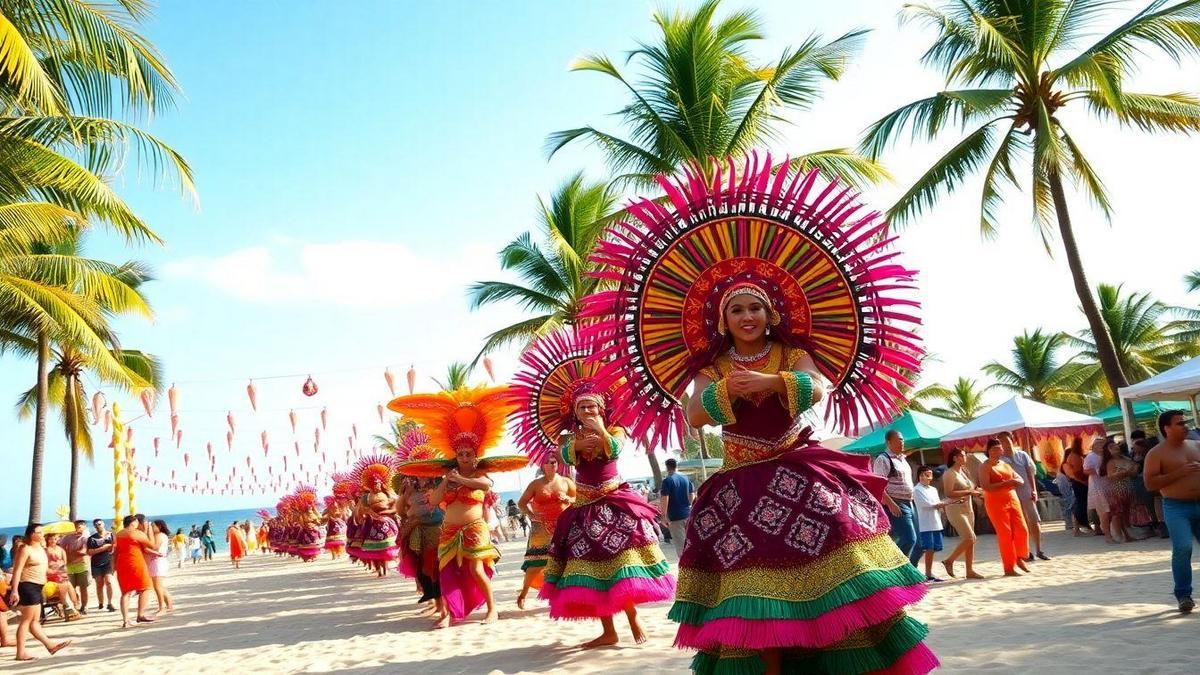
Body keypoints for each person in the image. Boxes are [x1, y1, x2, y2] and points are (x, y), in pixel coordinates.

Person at [389, 385, 528, 628]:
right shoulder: (448, 477)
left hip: (474, 528)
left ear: (475, 457)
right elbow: (433, 501)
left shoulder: (480, 475)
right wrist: (446, 481)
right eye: (460, 453)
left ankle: (492, 609)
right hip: (449, 530)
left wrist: (461, 480)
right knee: (445, 571)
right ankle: (447, 614)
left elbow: (484, 485)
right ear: (456, 455)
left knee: (476, 569)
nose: (464, 457)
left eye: (468, 454)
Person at [1143, 410, 1200, 614]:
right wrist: (1180, 473)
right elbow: (1149, 483)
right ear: (1166, 428)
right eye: (1180, 423)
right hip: (1176, 506)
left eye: (1186, 422)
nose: (1186, 426)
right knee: (1183, 547)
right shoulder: (1156, 453)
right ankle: (1183, 595)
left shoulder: (1196, 445)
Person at [4, 523, 71, 661]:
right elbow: (17, 570)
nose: (42, 535)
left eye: (42, 532)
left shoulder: (41, 549)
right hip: (27, 586)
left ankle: (50, 645)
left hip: (38, 586)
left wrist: (56, 570)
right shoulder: (25, 549)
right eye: (39, 532)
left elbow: (43, 569)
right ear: (31, 534)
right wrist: (15, 591)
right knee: (26, 621)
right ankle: (21, 653)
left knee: (34, 621)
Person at [516, 454, 575, 609]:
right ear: (543, 465)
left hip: (563, 527)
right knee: (535, 565)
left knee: (564, 563)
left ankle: (562, 596)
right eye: (548, 462)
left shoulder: (566, 482)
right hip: (540, 529)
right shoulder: (536, 484)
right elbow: (521, 503)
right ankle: (523, 593)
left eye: (554, 461)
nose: (552, 464)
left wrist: (569, 500)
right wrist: (531, 515)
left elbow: (579, 499)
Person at [979, 439, 1031, 576]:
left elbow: (1020, 479)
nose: (997, 451)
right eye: (993, 449)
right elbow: (986, 486)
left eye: (999, 449)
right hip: (995, 501)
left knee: (1022, 529)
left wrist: (1013, 482)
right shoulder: (985, 466)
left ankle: (1019, 557)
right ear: (988, 451)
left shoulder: (1005, 463)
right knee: (1005, 534)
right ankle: (1009, 567)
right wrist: (1008, 483)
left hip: (1012, 498)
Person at [998, 431, 1049, 561]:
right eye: (1001, 442)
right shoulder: (999, 460)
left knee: (1034, 520)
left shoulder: (1022, 455)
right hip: (1011, 493)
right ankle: (1025, 551)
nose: (1004, 444)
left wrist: (1034, 490)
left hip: (1025, 490)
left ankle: (1038, 549)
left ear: (1012, 440)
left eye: (1006, 440)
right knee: (1018, 523)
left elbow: (1030, 472)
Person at [872, 429, 920, 565]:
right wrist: (891, 504)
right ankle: (895, 567)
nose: (902, 442)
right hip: (896, 503)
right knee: (909, 539)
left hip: (910, 503)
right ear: (888, 442)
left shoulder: (902, 460)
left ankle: (911, 572)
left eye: (903, 439)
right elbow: (878, 485)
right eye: (899, 439)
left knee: (919, 543)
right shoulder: (883, 459)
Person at [940, 448, 984, 579]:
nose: (965, 458)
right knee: (970, 537)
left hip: (968, 507)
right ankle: (949, 560)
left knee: (970, 540)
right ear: (955, 458)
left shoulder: (964, 472)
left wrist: (978, 492)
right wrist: (970, 492)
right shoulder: (949, 473)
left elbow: (969, 489)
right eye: (962, 456)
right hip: (955, 508)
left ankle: (969, 570)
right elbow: (949, 493)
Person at [114, 514, 155, 627]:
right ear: (133, 523)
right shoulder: (136, 533)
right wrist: (149, 528)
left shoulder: (118, 534)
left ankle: (125, 620)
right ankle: (140, 615)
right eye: (136, 522)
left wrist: (114, 566)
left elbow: (116, 551)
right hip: (135, 561)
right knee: (145, 587)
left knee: (125, 592)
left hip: (122, 563)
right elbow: (152, 545)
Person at [913, 465, 951, 583]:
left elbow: (937, 503)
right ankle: (917, 571)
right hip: (924, 524)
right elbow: (928, 504)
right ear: (920, 475)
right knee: (925, 548)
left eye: (930, 474)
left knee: (933, 548)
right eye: (926, 474)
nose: (929, 477)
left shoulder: (933, 489)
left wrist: (944, 504)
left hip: (936, 522)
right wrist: (945, 503)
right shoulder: (917, 489)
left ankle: (928, 573)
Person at [1101, 440, 1142, 543]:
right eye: (1112, 447)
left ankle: (1127, 535)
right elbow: (1111, 476)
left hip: (1127, 488)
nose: (1116, 448)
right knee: (1118, 513)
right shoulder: (1111, 462)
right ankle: (1119, 535)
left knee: (1126, 513)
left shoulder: (1126, 459)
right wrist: (1125, 472)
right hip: (1116, 489)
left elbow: (1134, 472)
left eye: (1116, 446)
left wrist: (1131, 471)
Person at [658, 457, 694, 559]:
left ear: (667, 467)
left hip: (675, 517)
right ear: (676, 466)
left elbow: (665, 498)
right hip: (688, 514)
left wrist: (663, 516)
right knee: (689, 541)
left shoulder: (667, 481)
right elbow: (691, 494)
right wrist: (688, 505)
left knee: (680, 545)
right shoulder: (685, 478)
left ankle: (686, 568)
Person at [43, 534, 81, 619]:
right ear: (47, 540)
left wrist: (61, 566)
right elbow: (45, 564)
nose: (53, 541)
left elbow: (65, 562)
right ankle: (70, 608)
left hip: (61, 572)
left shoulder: (61, 550)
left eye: (55, 539)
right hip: (51, 573)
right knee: (67, 585)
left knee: (70, 586)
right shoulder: (45, 550)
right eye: (51, 539)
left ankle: (75, 606)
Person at [1061, 438, 1093, 536]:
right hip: (1079, 483)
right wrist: (1084, 481)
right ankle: (1079, 527)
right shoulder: (1075, 457)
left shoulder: (1073, 457)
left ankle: (1078, 528)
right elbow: (1077, 473)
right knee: (1080, 505)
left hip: (1079, 483)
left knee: (1080, 504)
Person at [59, 520, 90, 614]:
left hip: (82, 566)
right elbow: (61, 551)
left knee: (83, 588)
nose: (78, 529)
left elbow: (83, 552)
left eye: (80, 527)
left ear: (84, 528)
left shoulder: (86, 538)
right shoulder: (67, 538)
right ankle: (77, 604)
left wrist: (70, 553)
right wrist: (72, 554)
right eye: (77, 527)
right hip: (69, 566)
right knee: (70, 588)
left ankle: (84, 607)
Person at [86, 519, 115, 612]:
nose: (98, 526)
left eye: (99, 524)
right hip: (96, 564)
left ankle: (110, 603)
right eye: (96, 524)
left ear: (103, 524)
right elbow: (90, 552)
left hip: (108, 562)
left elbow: (115, 546)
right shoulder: (92, 538)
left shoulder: (111, 535)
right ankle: (101, 603)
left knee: (109, 582)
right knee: (99, 584)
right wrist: (104, 548)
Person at [147, 520, 174, 614]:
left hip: (158, 561)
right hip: (157, 561)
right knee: (159, 586)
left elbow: (155, 547)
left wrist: (145, 547)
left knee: (158, 587)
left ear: (159, 526)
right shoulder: (161, 535)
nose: (151, 527)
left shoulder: (160, 535)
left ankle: (161, 607)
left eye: (153, 526)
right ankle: (169, 606)